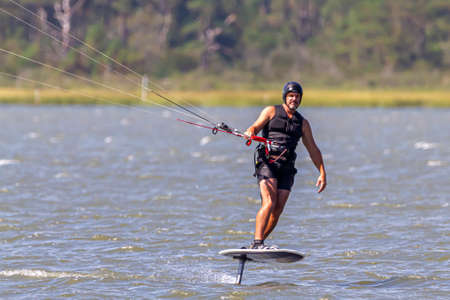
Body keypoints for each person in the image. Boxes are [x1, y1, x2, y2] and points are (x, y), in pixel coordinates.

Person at [244, 81, 327, 249]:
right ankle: (259, 242)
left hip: (287, 167)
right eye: (291, 96)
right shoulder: (271, 111)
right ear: (285, 97)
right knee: (269, 202)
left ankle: (256, 244)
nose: (294, 99)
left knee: (278, 209)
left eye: (297, 97)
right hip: (268, 162)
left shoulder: (302, 123)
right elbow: (255, 127)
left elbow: (313, 149)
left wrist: (322, 172)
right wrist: (250, 132)